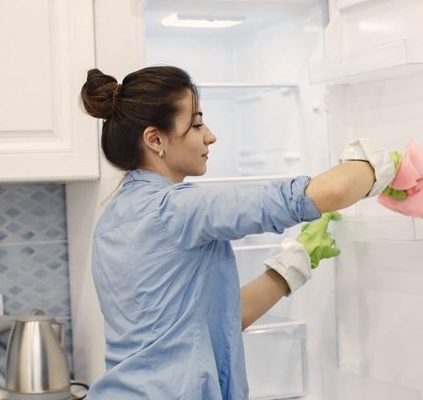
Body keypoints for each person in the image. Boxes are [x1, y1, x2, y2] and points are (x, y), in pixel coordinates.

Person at [79, 66, 397, 399]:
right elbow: (328, 192)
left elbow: (217, 322)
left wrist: (295, 262)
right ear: (155, 139)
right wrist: (383, 164)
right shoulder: (177, 208)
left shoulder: (112, 219)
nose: (210, 136)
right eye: (196, 124)